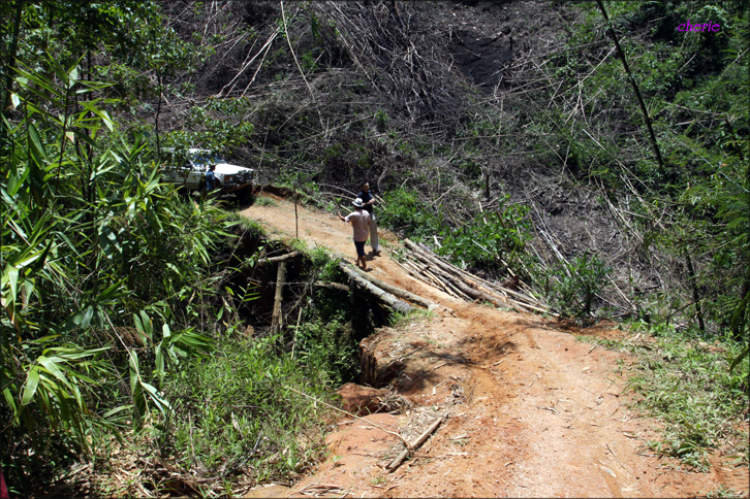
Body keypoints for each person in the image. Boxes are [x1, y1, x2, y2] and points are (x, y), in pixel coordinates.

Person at [338, 198, 371, 270]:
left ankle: (365, 266)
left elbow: (345, 219)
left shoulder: (354, 214)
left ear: (355, 206)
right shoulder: (366, 213)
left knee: (360, 250)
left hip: (358, 236)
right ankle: (357, 261)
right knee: (361, 248)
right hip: (365, 235)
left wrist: (339, 215)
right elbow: (368, 223)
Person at [357, 181, 380, 255]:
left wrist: (373, 200)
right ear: (362, 187)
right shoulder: (360, 195)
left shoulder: (369, 192)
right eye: (366, 186)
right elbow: (359, 205)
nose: (368, 187)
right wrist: (368, 203)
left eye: (368, 186)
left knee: (373, 230)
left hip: (370, 213)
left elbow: (371, 199)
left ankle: (375, 248)